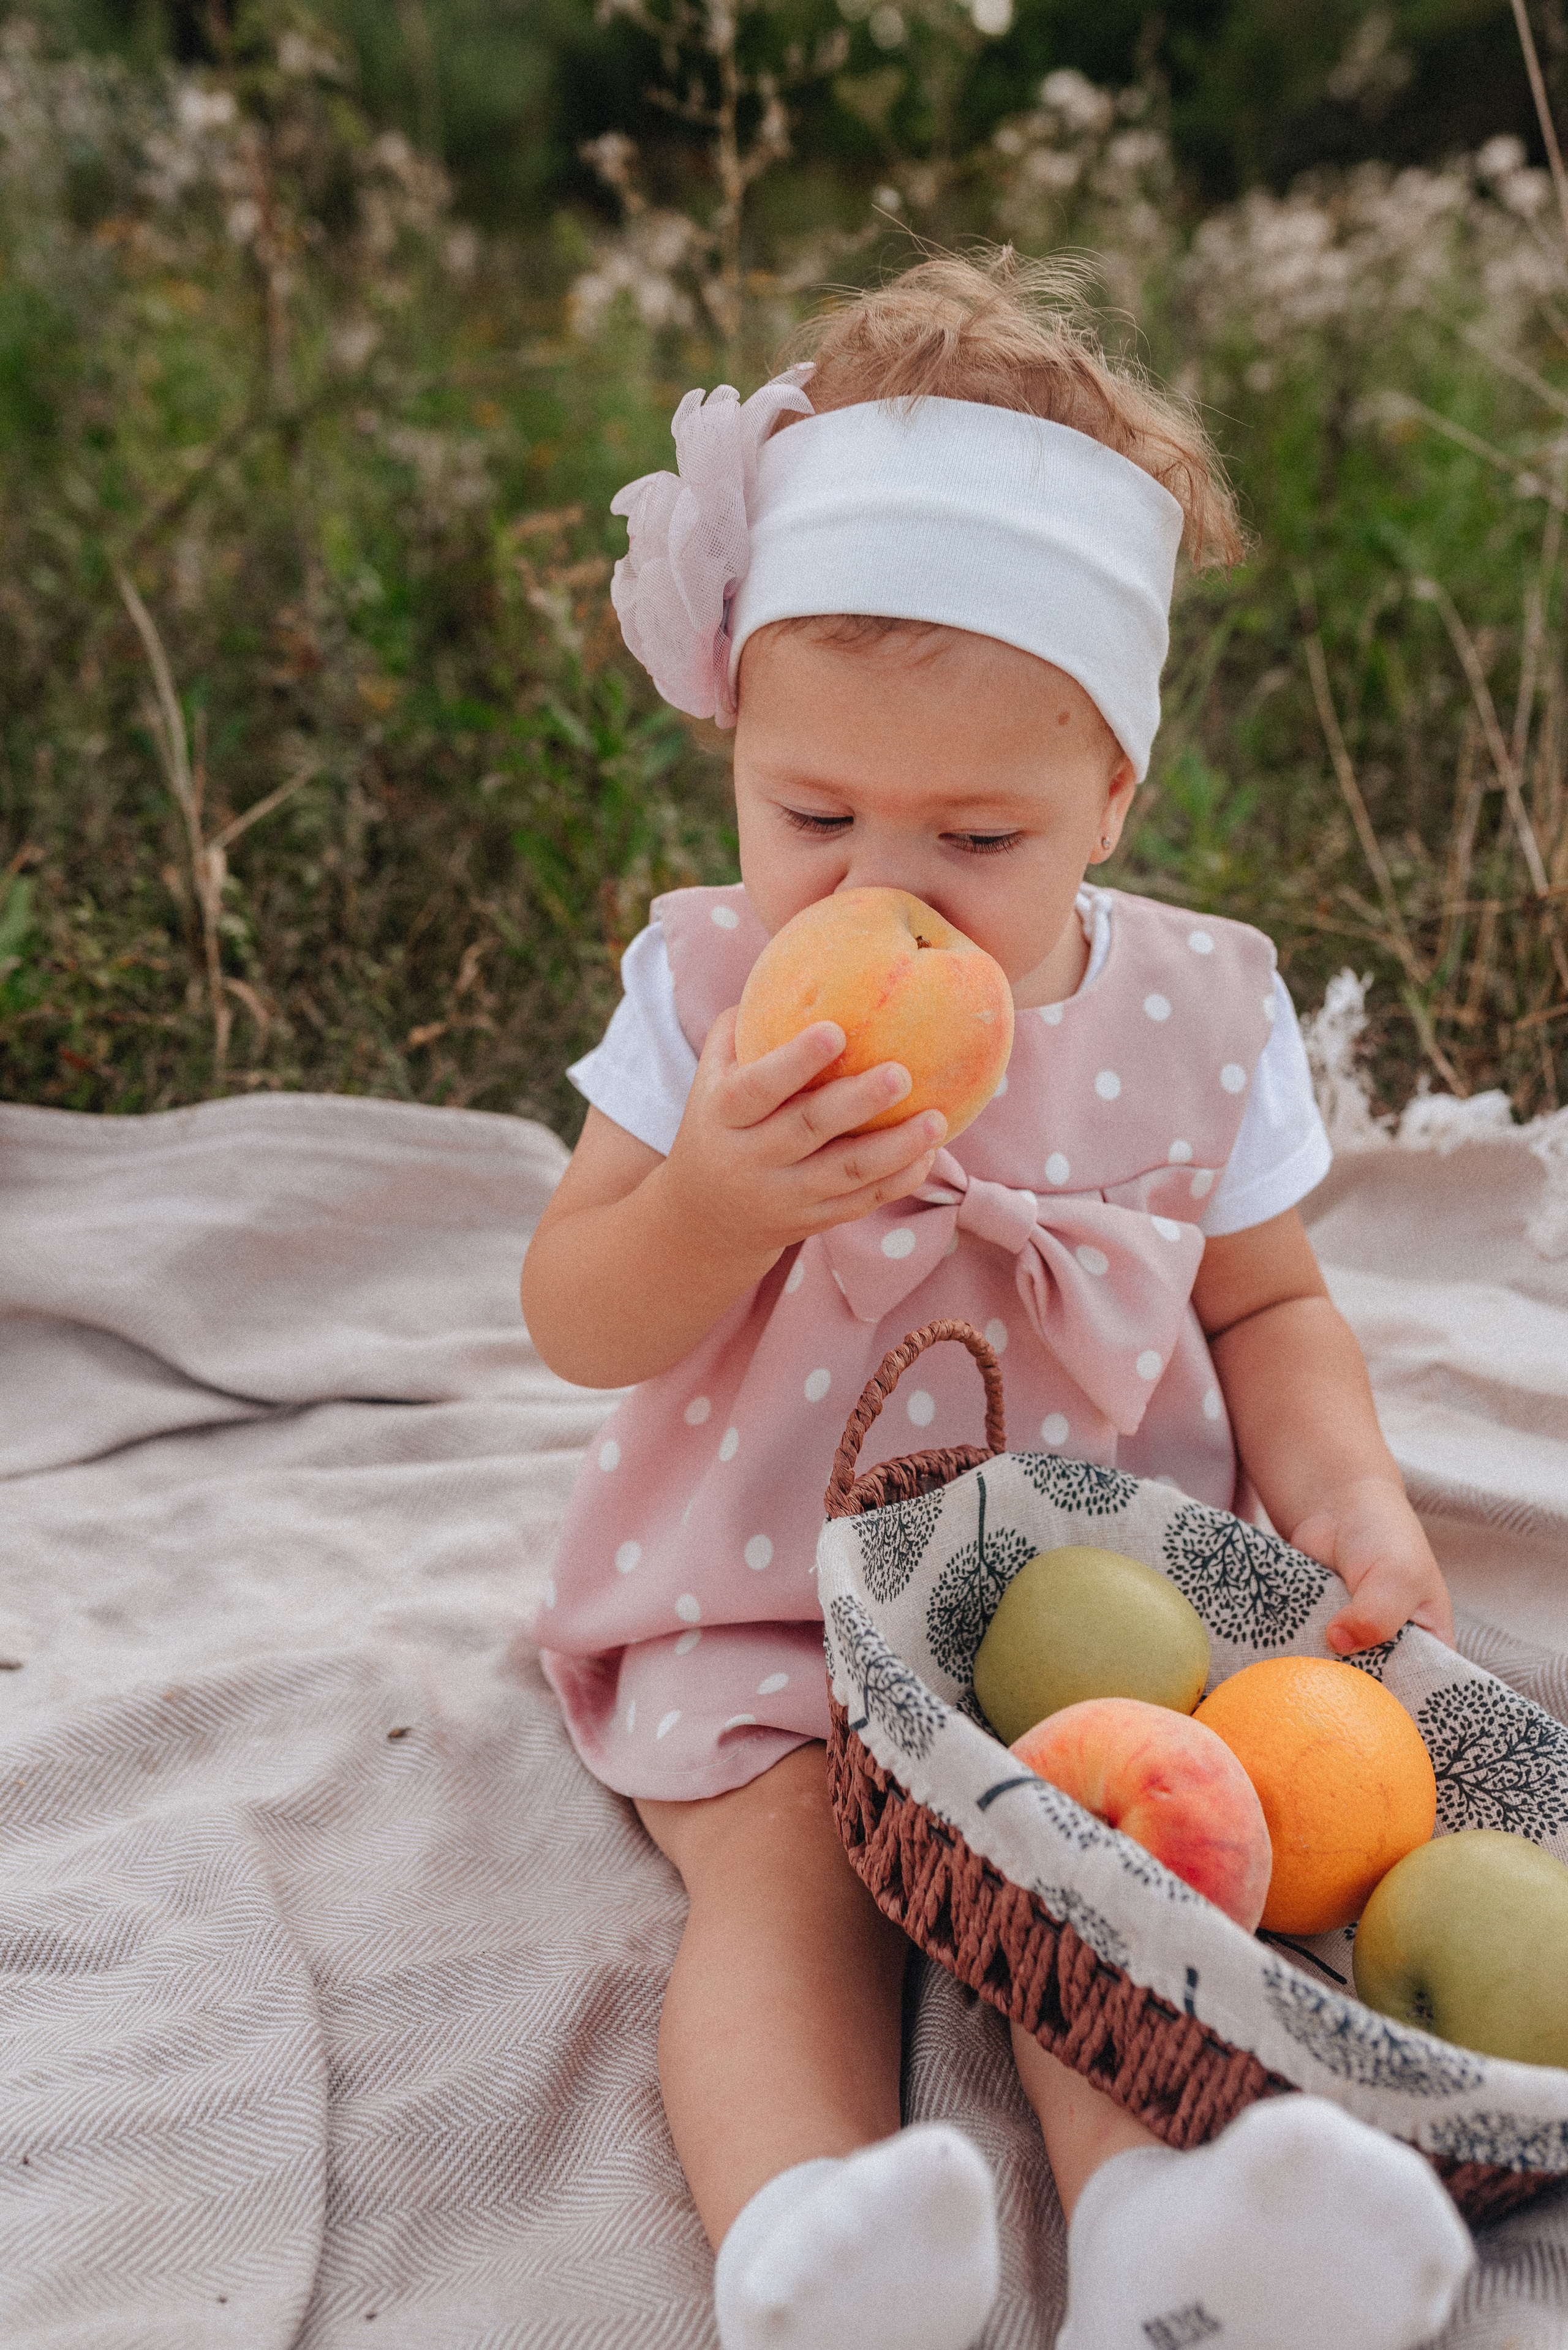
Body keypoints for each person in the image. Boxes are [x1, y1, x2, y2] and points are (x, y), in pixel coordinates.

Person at [522, 252, 1472, 2350]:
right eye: (812, 814)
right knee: (780, 1880)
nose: (880, 886)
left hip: (1072, 1599)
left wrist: (1345, 1489)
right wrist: (714, 1199)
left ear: (1113, 796)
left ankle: (1166, 2245)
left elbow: (1273, 1309)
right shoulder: (709, 995)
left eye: (976, 831)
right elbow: (579, 1311)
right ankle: (812, 2238)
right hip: (767, 1596)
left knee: (1114, 1876)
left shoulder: (1200, 1014)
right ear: (735, 755)